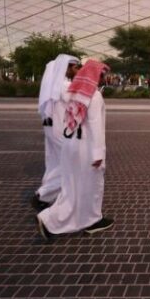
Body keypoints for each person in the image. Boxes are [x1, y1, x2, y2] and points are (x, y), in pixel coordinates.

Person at [37, 59, 114, 240]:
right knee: (91, 186)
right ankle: (53, 220)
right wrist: (98, 154)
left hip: (70, 145)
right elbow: (95, 126)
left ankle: (85, 219)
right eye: (102, 75)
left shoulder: (72, 93)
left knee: (72, 188)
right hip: (85, 148)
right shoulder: (94, 96)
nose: (103, 79)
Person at [31, 54, 81, 211]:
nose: (78, 70)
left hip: (52, 128)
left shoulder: (56, 85)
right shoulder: (64, 86)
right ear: (67, 67)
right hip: (59, 130)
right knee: (71, 163)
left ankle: (49, 195)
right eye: (76, 67)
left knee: (56, 162)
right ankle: (44, 194)